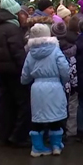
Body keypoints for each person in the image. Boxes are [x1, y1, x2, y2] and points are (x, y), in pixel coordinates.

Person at [19, 24, 70, 157]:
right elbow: (64, 69)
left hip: (37, 88)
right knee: (56, 118)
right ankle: (56, 146)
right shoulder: (55, 51)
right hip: (55, 86)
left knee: (38, 118)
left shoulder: (31, 53)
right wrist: (64, 81)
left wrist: (25, 81)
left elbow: (25, 74)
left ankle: (37, 147)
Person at [0, 0, 30, 148]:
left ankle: (5, 134)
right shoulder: (12, 28)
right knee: (23, 103)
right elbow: (17, 52)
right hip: (14, 71)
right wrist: (25, 69)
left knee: (6, 103)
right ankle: (19, 136)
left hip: (1, 70)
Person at [51, 21, 78, 141]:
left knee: (54, 108)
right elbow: (72, 69)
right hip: (69, 85)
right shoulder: (71, 49)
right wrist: (74, 84)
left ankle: (54, 132)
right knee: (69, 107)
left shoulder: (50, 50)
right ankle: (67, 132)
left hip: (54, 85)